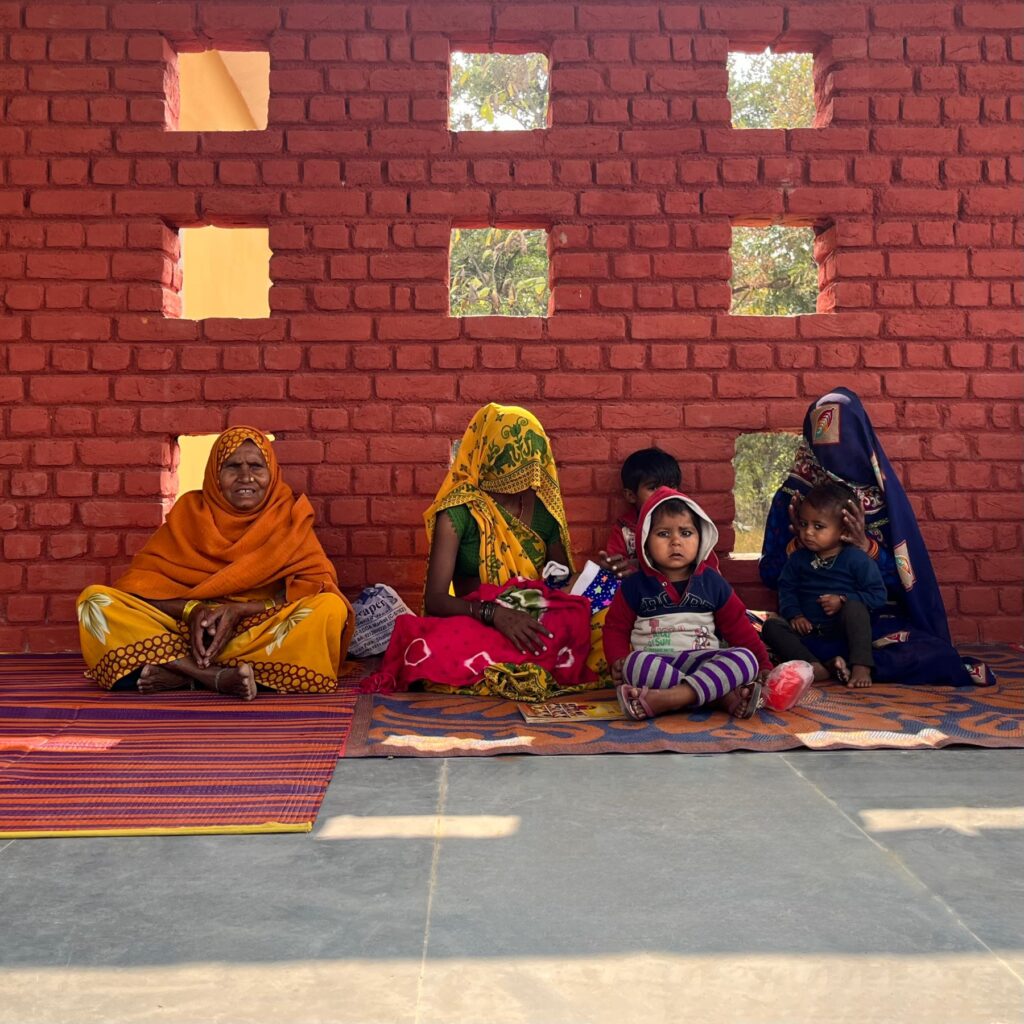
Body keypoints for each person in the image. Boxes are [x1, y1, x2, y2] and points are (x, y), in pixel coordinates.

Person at [76, 427, 353, 700]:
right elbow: (138, 589)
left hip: (255, 629)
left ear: (272, 473)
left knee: (330, 609)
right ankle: (217, 676)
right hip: (186, 630)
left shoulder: (287, 516)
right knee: (94, 601)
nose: (246, 477)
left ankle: (180, 671)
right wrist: (192, 611)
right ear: (215, 475)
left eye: (256, 466)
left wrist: (239, 612)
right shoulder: (189, 513)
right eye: (232, 467)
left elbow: (314, 587)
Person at [760, 387, 986, 687]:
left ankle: (840, 665)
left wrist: (867, 548)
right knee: (756, 634)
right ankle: (830, 664)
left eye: (842, 449)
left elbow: (904, 582)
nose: (834, 461)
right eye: (824, 448)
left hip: (873, 623)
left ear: (859, 442)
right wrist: (796, 545)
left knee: (933, 655)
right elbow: (770, 574)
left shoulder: (884, 500)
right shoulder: (794, 497)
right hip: (807, 621)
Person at [369, 403, 597, 700]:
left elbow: (562, 584)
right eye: (513, 459)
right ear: (488, 453)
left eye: (530, 458)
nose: (524, 470)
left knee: (597, 622)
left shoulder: (543, 510)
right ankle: (534, 664)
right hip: (478, 621)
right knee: (431, 647)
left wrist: (598, 576)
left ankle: (532, 661)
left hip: (535, 620)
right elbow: (435, 599)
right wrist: (495, 614)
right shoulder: (458, 512)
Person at [604, 487, 772, 721]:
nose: (675, 542)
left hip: (705, 660)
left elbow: (738, 626)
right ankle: (718, 697)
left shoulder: (713, 582)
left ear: (700, 537)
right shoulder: (634, 586)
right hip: (657, 663)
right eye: (663, 534)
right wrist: (617, 660)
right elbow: (615, 628)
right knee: (634, 665)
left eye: (685, 533)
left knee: (746, 660)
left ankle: (669, 699)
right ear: (645, 541)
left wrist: (763, 663)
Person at [762, 481, 887, 689]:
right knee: (771, 627)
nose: (808, 532)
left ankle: (861, 665)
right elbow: (787, 588)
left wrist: (844, 600)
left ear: (843, 530)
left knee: (856, 609)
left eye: (818, 527)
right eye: (803, 524)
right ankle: (816, 667)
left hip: (843, 635)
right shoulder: (798, 559)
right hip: (807, 636)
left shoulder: (857, 559)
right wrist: (795, 615)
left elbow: (877, 595)